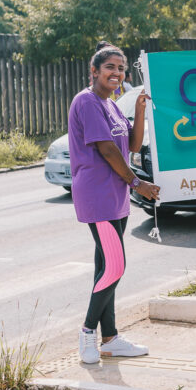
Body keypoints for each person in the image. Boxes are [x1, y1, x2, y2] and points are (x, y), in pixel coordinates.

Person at [70, 43, 160, 364]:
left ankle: (109, 339)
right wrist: (138, 182)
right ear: (94, 71)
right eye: (110, 67)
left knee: (105, 267)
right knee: (116, 266)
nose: (117, 73)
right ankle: (86, 335)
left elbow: (132, 145)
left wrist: (138, 109)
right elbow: (108, 150)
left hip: (115, 197)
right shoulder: (87, 101)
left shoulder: (110, 105)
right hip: (98, 198)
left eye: (121, 68)